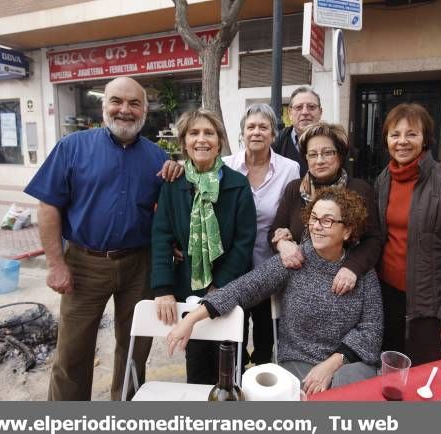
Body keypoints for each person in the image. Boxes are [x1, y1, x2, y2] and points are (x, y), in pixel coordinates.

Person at [24, 76, 169, 400]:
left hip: (138, 265)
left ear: (145, 109)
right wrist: (55, 263)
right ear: (104, 106)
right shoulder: (72, 147)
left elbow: (167, 214)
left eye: (134, 103)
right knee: (72, 352)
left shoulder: (158, 158)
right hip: (83, 265)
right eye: (117, 101)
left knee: (135, 346)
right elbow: (48, 206)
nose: (125, 110)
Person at [165, 188, 383, 395]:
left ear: (347, 231)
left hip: (349, 362)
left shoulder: (361, 271)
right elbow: (244, 288)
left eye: (327, 220)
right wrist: (192, 318)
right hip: (299, 362)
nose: (316, 226)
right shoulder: (294, 260)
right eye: (313, 218)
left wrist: (332, 364)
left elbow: (372, 329)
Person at [151, 108, 257, 385]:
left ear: (219, 142)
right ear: (184, 142)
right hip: (189, 288)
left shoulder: (237, 183)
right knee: (197, 364)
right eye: (193, 133)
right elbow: (161, 234)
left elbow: (245, 240)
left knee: (230, 363)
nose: (201, 139)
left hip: (230, 287)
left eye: (209, 133)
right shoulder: (173, 184)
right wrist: (163, 289)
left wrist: (219, 285)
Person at [375, 103, 441, 366]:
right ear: (386, 138)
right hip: (388, 297)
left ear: (425, 139)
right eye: (394, 134)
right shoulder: (383, 179)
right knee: (390, 370)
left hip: (429, 302)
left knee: (422, 374)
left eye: (411, 134)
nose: (402, 141)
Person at [223, 103, 300, 367]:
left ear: (273, 134)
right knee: (235, 330)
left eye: (263, 127)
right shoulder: (225, 166)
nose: (256, 132)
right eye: (251, 127)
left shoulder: (290, 169)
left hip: (272, 264)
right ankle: (236, 381)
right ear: (242, 133)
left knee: (267, 333)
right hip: (233, 265)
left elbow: (293, 212)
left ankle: (263, 381)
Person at [269, 122, 381, 295]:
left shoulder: (359, 190)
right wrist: (282, 244)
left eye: (327, 153)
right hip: (300, 287)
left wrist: (352, 268)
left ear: (340, 155)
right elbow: (274, 232)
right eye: (312, 154)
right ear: (306, 158)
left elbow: (373, 240)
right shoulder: (294, 189)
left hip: (344, 285)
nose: (319, 160)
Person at [272, 86, 323, 177]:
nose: (305, 112)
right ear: (289, 114)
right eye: (299, 107)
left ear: (320, 112)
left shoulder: (336, 144)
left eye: (311, 107)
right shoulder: (275, 145)